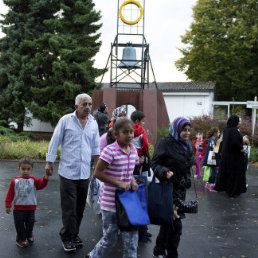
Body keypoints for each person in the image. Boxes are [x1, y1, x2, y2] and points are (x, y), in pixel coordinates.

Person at [45, 93, 100, 252]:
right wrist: (49, 162)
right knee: (69, 207)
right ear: (76, 107)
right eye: (84, 104)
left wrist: (98, 165)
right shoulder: (66, 120)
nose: (88, 107)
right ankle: (67, 237)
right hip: (68, 172)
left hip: (84, 172)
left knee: (79, 207)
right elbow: (55, 140)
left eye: (90, 104)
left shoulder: (93, 123)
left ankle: (74, 234)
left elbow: (96, 146)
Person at [85, 118, 139, 258]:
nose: (130, 135)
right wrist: (118, 183)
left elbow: (129, 171)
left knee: (131, 238)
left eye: (131, 132)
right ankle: (93, 256)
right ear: (116, 134)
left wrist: (132, 180)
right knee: (111, 237)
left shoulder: (133, 150)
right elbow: (97, 173)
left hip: (128, 200)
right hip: (110, 203)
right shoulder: (110, 151)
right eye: (125, 132)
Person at [151, 117, 194, 258]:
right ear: (176, 129)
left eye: (189, 130)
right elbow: (155, 164)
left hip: (181, 190)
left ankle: (158, 250)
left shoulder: (187, 145)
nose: (187, 133)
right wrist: (165, 172)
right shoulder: (165, 143)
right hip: (168, 188)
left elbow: (188, 165)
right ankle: (172, 253)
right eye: (184, 130)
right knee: (176, 225)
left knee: (169, 222)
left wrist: (187, 180)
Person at [5, 157, 49, 248]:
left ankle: (29, 235)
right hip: (18, 209)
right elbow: (10, 193)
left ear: (31, 169)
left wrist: (46, 177)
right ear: (19, 169)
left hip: (30, 208)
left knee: (30, 224)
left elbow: (41, 185)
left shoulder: (33, 180)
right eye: (23, 169)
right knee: (19, 225)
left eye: (28, 169)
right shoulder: (15, 181)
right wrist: (8, 204)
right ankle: (21, 239)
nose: (25, 171)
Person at [130, 110, 151, 243]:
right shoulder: (140, 129)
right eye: (143, 121)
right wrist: (146, 155)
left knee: (131, 193)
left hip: (130, 159)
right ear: (138, 121)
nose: (143, 123)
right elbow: (145, 144)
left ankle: (132, 226)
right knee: (140, 194)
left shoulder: (128, 129)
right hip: (139, 160)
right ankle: (141, 230)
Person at [215, 115, 246, 197]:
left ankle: (227, 189)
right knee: (234, 174)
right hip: (234, 157)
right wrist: (241, 148)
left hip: (227, 156)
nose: (239, 123)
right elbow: (235, 143)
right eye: (238, 121)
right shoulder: (234, 131)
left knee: (228, 174)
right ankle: (233, 191)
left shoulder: (226, 130)